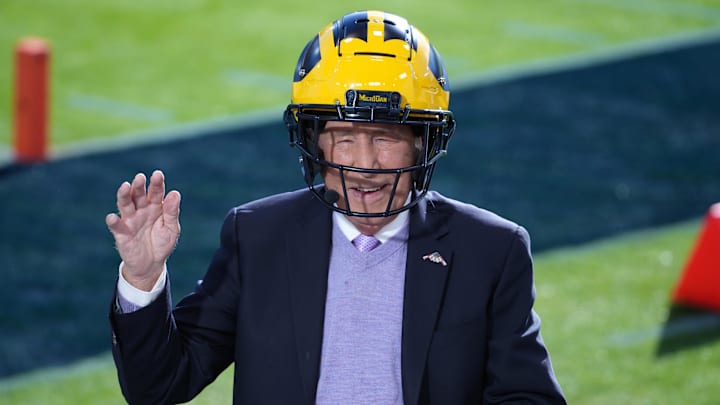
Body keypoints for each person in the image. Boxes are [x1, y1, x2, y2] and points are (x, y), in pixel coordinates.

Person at [106, 10, 566, 405]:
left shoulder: (491, 249)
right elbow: (159, 387)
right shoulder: (257, 236)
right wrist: (144, 280)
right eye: (344, 138)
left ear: (423, 144)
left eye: (385, 139)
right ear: (311, 141)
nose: (364, 166)